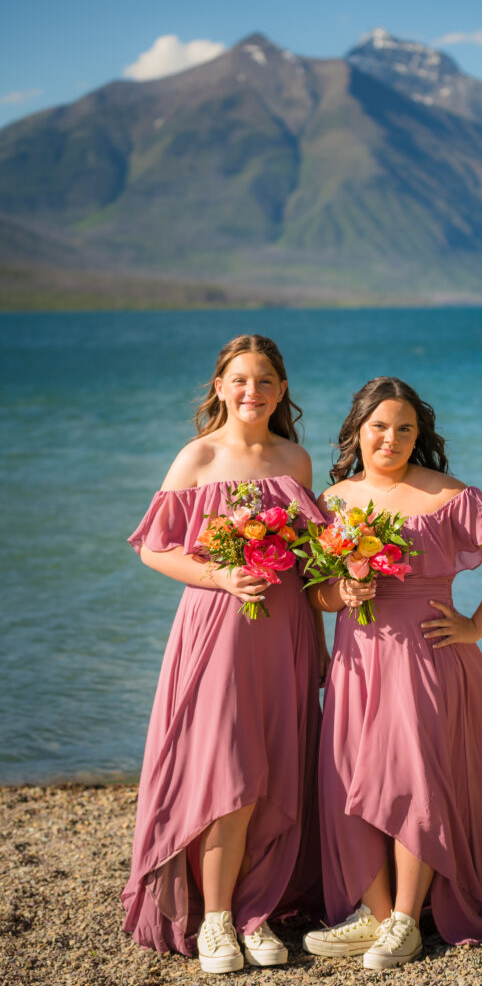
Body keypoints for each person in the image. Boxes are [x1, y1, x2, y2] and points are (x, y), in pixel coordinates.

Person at [303, 377, 482, 970]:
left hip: (425, 658)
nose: (393, 439)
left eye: (406, 428)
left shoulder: (447, 495)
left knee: (413, 782)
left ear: (420, 435)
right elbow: (317, 596)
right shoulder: (332, 501)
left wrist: (476, 626)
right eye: (380, 426)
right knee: (348, 779)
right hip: (357, 660)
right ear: (356, 431)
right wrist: (342, 589)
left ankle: (404, 923)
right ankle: (375, 915)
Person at [121, 334, 328, 974]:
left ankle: (256, 912)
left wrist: (326, 636)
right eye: (239, 379)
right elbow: (153, 548)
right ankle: (214, 921)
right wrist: (221, 577)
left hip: (284, 631)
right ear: (219, 386)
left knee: (276, 771)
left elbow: (309, 562)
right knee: (227, 773)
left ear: (282, 389)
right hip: (217, 629)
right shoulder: (198, 457)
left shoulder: (295, 460)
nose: (252, 392)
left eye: (265, 380)